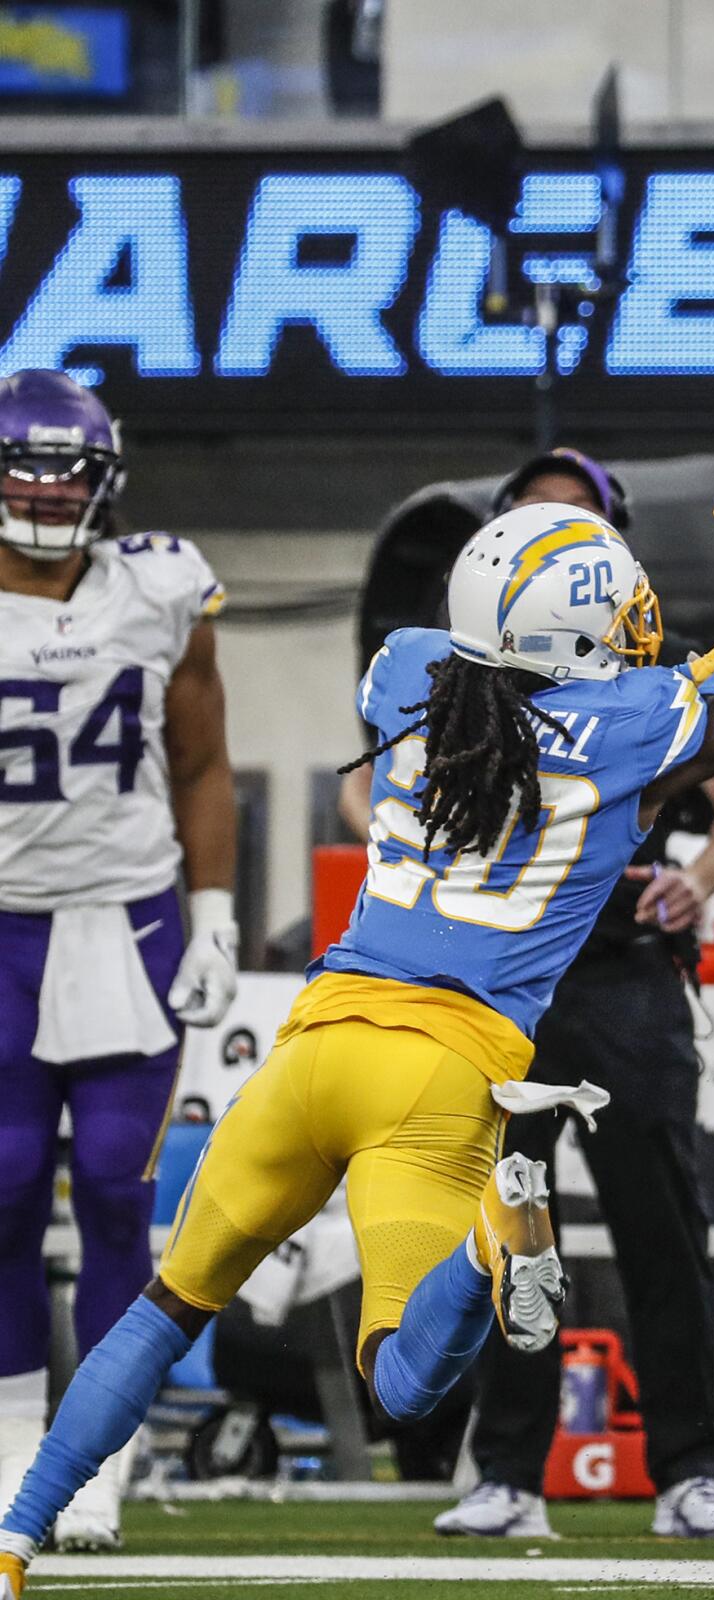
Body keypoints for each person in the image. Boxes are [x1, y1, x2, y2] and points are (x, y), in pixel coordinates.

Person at [0, 462, 714, 1600]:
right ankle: (496, 1243)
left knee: (162, 1309)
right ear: (585, 631)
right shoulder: (638, 724)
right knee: (401, 1378)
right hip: (444, 1068)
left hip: (316, 1043)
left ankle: (17, 1534)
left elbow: (517, 683)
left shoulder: (407, 673)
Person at [368, 450, 714, 1542]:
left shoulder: (650, 673)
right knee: (504, 1225)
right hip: (500, 985)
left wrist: (695, 877)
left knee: (663, 1223)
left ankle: (691, 1466)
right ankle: (506, 1470)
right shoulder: (450, 670)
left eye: (576, 518)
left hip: (620, 975)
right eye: (532, 518)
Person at [0, 370, 239, 1554]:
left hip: (123, 922)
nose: (46, 494)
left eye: (67, 471)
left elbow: (201, 760)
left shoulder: (160, 587)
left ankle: (90, 1462)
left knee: (112, 1190)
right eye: (24, 467)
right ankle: (8, 1452)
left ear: (108, 482)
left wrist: (215, 911)